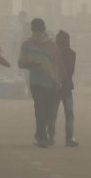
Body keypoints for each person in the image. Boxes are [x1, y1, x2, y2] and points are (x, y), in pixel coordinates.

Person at [18, 18, 64, 148]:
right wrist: (31, 64)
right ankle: (41, 137)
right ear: (32, 30)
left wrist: (59, 80)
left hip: (51, 82)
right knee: (39, 108)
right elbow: (21, 63)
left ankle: (49, 135)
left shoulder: (52, 46)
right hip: (36, 82)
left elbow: (58, 65)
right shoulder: (27, 44)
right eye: (35, 31)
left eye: (39, 31)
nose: (37, 34)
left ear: (44, 30)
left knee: (49, 111)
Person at [52, 30, 79, 147]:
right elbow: (70, 71)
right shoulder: (71, 53)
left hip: (56, 86)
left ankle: (51, 136)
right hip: (65, 86)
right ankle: (69, 138)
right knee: (68, 113)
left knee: (53, 113)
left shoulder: (54, 53)